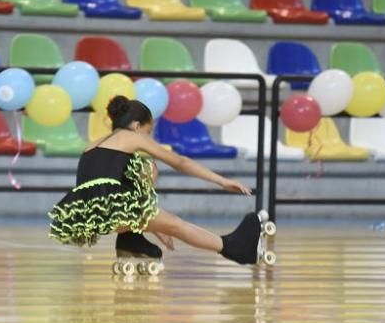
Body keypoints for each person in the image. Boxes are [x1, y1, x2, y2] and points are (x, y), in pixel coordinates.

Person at [49, 95, 269, 265]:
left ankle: (131, 240)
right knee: (176, 224)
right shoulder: (131, 137)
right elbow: (180, 162)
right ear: (137, 126)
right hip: (112, 208)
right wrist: (221, 181)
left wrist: (152, 224)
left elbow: (113, 190)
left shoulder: (93, 144)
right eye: (148, 131)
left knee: (144, 168)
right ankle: (235, 248)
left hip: (86, 214)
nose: (148, 137)